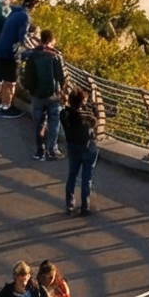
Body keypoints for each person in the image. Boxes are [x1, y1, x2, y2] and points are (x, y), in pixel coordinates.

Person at [22, 30, 67, 160]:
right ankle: (52, 150)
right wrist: (63, 93)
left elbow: (27, 77)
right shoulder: (55, 56)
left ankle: (39, 150)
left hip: (36, 95)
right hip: (52, 96)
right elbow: (61, 78)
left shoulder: (33, 55)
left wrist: (30, 90)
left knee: (39, 123)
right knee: (54, 121)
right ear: (52, 40)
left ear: (41, 39)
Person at [0, 0, 31, 116]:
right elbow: (21, 38)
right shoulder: (24, 16)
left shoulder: (12, 11)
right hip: (9, 53)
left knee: (3, 79)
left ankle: (1, 103)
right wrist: (31, 44)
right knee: (10, 82)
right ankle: (6, 108)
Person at [62, 86, 101, 215]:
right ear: (82, 101)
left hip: (72, 145)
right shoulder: (87, 116)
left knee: (72, 174)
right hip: (87, 146)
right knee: (87, 177)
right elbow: (95, 121)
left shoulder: (65, 114)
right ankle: (85, 205)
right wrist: (93, 104)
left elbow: (67, 113)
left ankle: (69, 203)